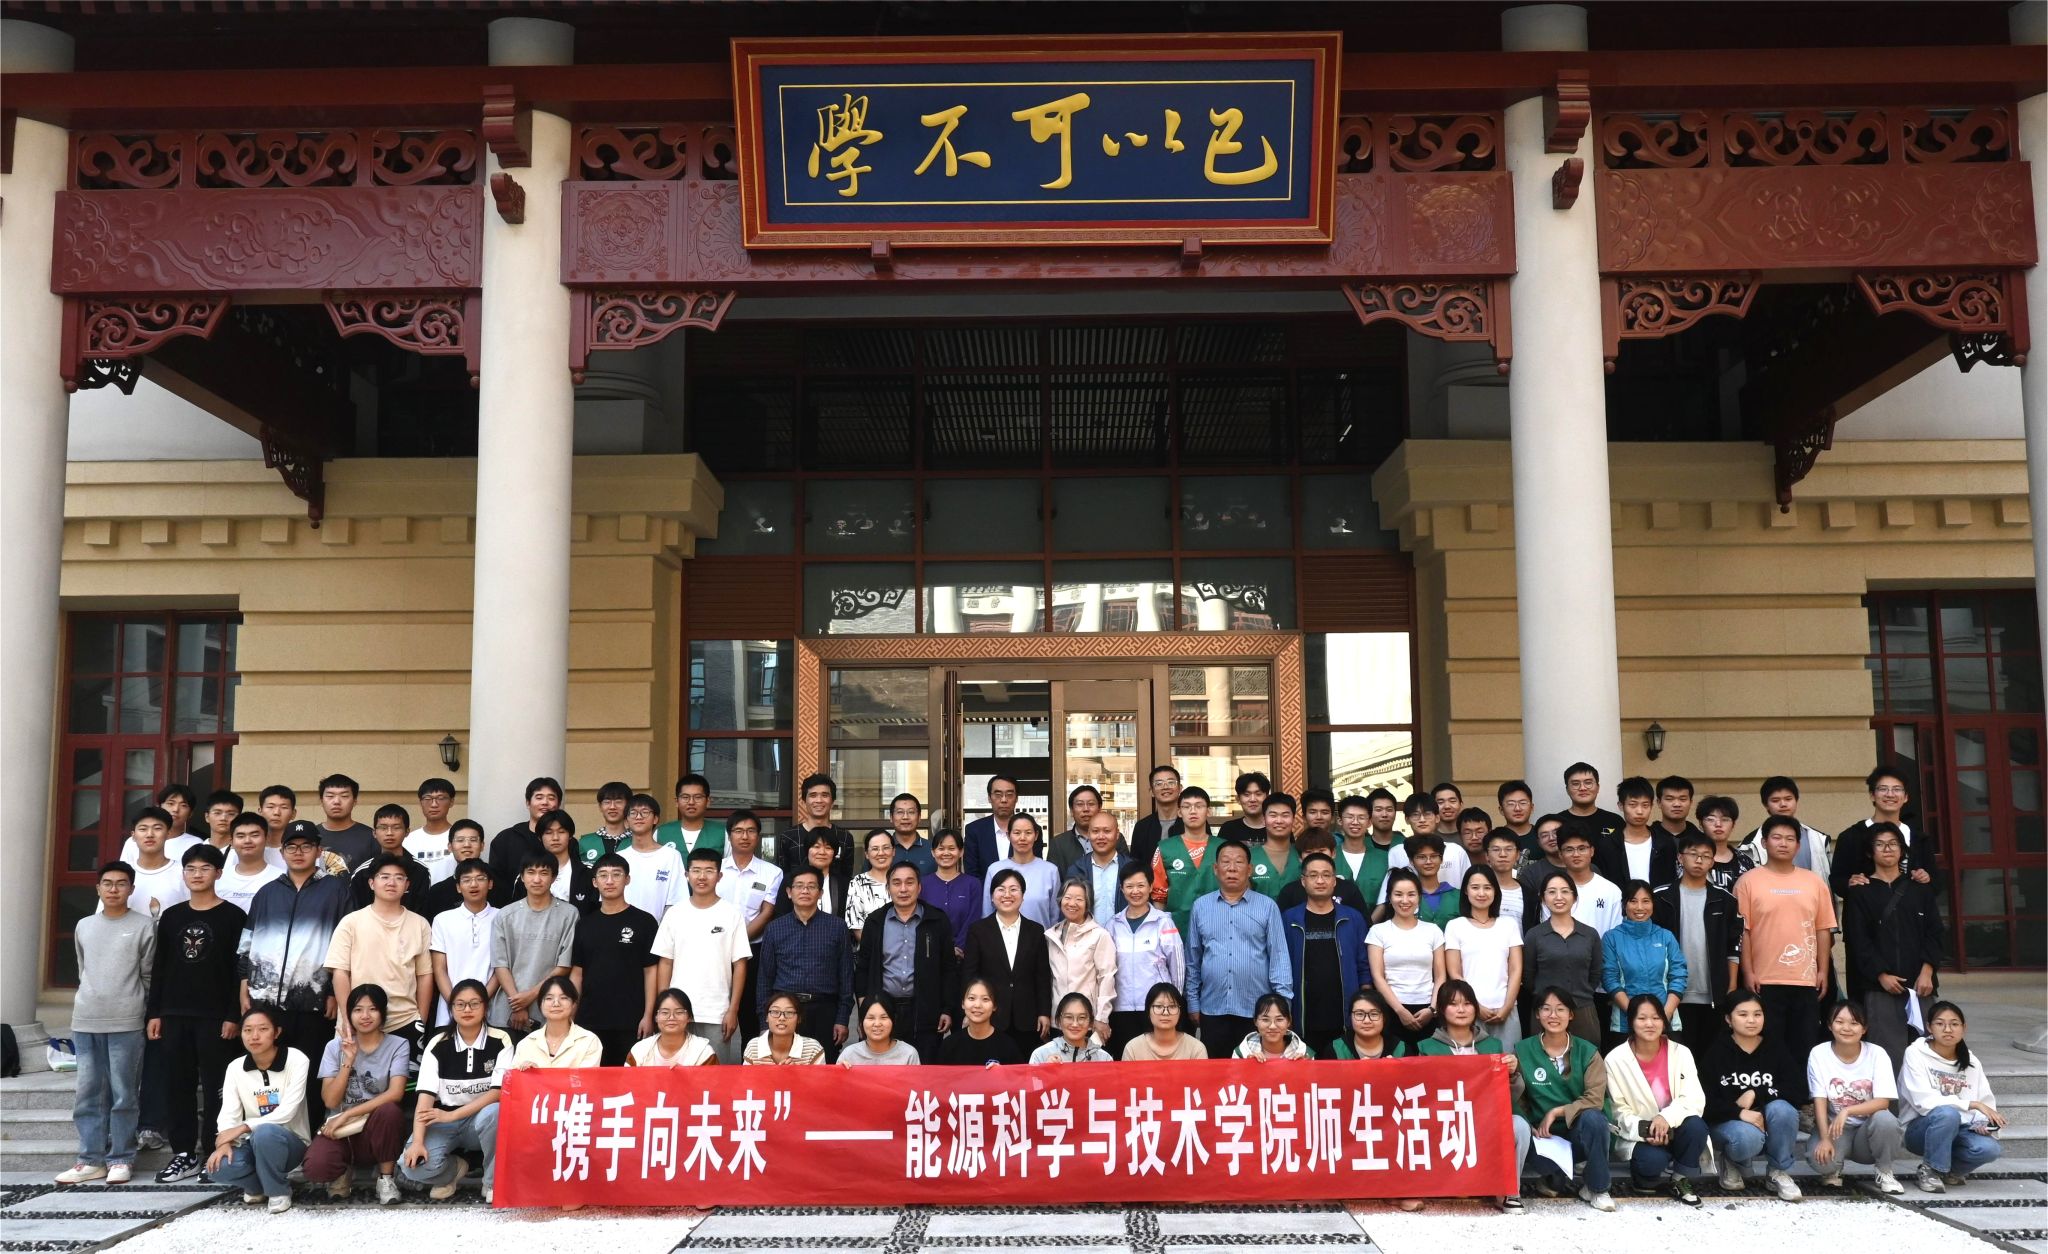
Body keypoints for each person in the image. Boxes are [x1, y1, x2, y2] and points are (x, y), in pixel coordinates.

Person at [236, 821, 352, 1128]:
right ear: (282, 851)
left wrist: (332, 992)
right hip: (267, 1002)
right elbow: (247, 943)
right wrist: (245, 983)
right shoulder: (267, 893)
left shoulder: (336, 891)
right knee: (270, 1074)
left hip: (314, 1001)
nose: (298, 852)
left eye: (306, 846)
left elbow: (346, 946)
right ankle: (269, 1135)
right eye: (291, 847)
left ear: (318, 850)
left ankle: (308, 1136)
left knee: (310, 1072)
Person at [146, 846, 246, 1184]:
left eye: (205, 868)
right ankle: (184, 1154)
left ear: (219, 873)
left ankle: (215, 1152)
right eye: (190, 868)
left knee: (218, 1086)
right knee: (178, 1085)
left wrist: (234, 1015)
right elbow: (160, 967)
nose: (197, 874)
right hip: (174, 1013)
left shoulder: (234, 916)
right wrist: (155, 1012)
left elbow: (239, 971)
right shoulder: (172, 916)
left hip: (216, 1017)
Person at [58, 862, 155, 1186]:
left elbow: (148, 974)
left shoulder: (143, 925)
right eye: (108, 883)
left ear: (131, 889)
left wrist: (140, 1010)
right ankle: (90, 1159)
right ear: (98, 888)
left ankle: (121, 1158)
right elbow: (83, 969)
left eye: (121, 883)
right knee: (87, 1093)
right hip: (86, 1019)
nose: (114, 889)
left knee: (124, 1093)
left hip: (127, 1020)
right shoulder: (84, 925)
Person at [1416, 979, 1530, 1213]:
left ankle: (1509, 1192)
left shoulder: (1493, 1045)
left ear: (1475, 1008)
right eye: (1453, 1004)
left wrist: (1513, 1072)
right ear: (1442, 1009)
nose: (1461, 1009)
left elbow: (1509, 1095)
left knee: (1519, 1125)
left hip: (1486, 1119)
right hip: (1445, 1120)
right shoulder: (1427, 1047)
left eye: (1467, 1003)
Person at [1839, 822, 1944, 1069]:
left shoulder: (1920, 890)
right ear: (1870, 852)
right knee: (1888, 1055)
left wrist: (1928, 971)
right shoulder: (1860, 893)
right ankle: (1891, 1097)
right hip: (1879, 988)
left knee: (1927, 1051)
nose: (1888, 849)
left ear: (1902, 850)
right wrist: (1881, 974)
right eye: (1880, 844)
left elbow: (1935, 932)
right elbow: (1858, 941)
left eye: (1893, 843)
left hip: (1920, 985)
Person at [1736, 815, 1836, 1070]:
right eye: (1777, 838)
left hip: (1805, 979)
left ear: (1798, 846)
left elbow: (1823, 929)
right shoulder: (1748, 881)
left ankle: (1801, 1091)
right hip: (1764, 979)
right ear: (1764, 843)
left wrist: (1822, 970)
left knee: (1804, 1044)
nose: (1783, 843)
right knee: (1767, 1044)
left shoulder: (1814, 882)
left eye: (1790, 839)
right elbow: (1743, 932)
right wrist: (1748, 972)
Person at [400, 979, 510, 1203]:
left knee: (497, 1112)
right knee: (411, 1166)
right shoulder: (438, 1043)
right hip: (442, 1121)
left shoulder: (501, 1040)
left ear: (485, 1007)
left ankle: (492, 1182)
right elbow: (425, 1099)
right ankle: (454, 1171)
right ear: (451, 1009)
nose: (467, 1009)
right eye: (460, 1004)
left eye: (474, 1003)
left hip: (479, 1120)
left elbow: (497, 1093)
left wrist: (452, 1115)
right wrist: (418, 1141)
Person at [302, 984, 409, 1205]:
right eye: (358, 1010)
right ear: (349, 1014)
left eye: (372, 1009)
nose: (365, 1016)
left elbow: (396, 1093)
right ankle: (344, 1171)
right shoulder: (334, 1047)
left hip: (375, 1127)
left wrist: (348, 1114)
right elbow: (330, 1100)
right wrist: (348, 1061)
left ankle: (386, 1178)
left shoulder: (398, 1045)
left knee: (390, 1111)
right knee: (316, 1168)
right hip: (341, 1130)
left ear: (383, 1013)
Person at [325, 853, 434, 1066]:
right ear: (371, 883)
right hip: (358, 1022)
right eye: (384, 877)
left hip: (404, 1020)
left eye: (399, 877)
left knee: (405, 1085)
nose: (391, 882)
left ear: (407, 885)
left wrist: (420, 1019)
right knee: (353, 1083)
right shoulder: (351, 922)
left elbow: (425, 975)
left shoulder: (420, 924)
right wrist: (347, 1018)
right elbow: (340, 972)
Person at [1187, 840, 1293, 1058]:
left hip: (1257, 1010)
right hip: (1212, 1007)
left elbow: (1279, 957)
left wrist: (1282, 1005)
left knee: (1255, 1070)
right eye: (1226, 862)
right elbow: (1193, 958)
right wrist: (1193, 1002)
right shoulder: (1201, 907)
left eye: (1239, 862)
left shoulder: (1267, 906)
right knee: (1216, 1071)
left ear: (1249, 869)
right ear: (1216, 869)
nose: (1232, 868)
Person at [1514, 987, 1613, 1211]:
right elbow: (1516, 1099)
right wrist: (1529, 1126)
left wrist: (1557, 1111)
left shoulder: (1588, 1051)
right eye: (1546, 1009)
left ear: (1571, 1015)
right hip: (1543, 1136)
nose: (1553, 1015)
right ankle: (1554, 1176)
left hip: (1578, 1130)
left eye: (1560, 1009)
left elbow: (1595, 1099)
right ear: (1537, 1014)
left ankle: (1597, 1188)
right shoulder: (1523, 1050)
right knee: (1547, 1168)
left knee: (1595, 1119)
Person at [205, 1005, 311, 1213]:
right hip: (253, 1142)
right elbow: (229, 1111)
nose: (254, 1036)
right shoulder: (235, 1067)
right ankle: (258, 1187)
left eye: (263, 1029)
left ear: (276, 1032)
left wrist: (244, 1127)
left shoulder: (296, 1059)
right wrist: (224, 1141)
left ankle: (278, 1191)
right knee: (218, 1167)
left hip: (291, 1142)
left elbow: (287, 1111)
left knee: (265, 1132)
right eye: (247, 1030)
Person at [1604, 995, 1708, 1205]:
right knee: (1651, 1165)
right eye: (1642, 1018)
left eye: (1656, 1018)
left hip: (1676, 1127)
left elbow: (1693, 1097)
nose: (1650, 1024)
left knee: (1696, 1126)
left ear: (1664, 1020)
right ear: (1631, 1021)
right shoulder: (1615, 1059)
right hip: (1641, 1133)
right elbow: (1617, 1110)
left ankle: (1680, 1178)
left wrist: (1665, 1118)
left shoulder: (1681, 1053)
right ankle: (1644, 1177)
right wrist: (1649, 1129)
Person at [652, 846, 752, 1064]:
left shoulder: (732, 913)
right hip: (678, 1011)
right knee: (677, 1072)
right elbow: (665, 962)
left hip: (717, 1011)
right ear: (686, 875)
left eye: (709, 871)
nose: (702, 877)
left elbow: (740, 964)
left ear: (719, 876)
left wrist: (733, 1009)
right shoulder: (674, 914)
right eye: (696, 871)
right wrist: (663, 1008)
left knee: (715, 1074)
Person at [1702, 990, 1805, 1200]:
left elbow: (1797, 1090)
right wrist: (1738, 1112)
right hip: (1728, 1123)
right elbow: (1704, 1102)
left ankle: (1777, 1171)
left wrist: (1756, 1093)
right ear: (1728, 1019)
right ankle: (1732, 1161)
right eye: (1743, 1014)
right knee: (1747, 1137)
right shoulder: (1716, 1052)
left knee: (1784, 1110)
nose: (1751, 1020)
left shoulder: (1775, 1047)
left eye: (1757, 1014)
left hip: (1767, 1119)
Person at [855, 860, 956, 1062]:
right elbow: (863, 968)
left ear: (919, 887)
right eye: (896, 883)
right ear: (888, 888)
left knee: (924, 1068)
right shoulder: (875, 921)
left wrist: (947, 1009)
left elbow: (948, 969)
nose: (903, 889)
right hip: (884, 1010)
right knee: (885, 1069)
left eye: (909, 882)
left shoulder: (936, 920)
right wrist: (865, 1009)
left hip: (925, 1010)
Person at [1899, 1001, 2005, 1192]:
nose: (1948, 1029)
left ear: (1964, 1028)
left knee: (1990, 1149)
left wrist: (1984, 1123)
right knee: (1947, 1114)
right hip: (1920, 1130)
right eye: (1940, 1024)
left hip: (1961, 1129)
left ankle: (1950, 1171)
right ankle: (1931, 1171)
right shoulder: (1915, 1053)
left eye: (1954, 1024)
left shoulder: (1971, 1061)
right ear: (1929, 1027)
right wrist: (1971, 1104)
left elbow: (1984, 1102)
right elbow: (1923, 1102)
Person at [1652, 833, 1742, 1053]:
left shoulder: (1725, 900)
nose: (1699, 860)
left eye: (1706, 856)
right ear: (1680, 858)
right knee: (1677, 1054)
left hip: (1713, 994)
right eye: (1693, 854)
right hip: (1672, 993)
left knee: (1710, 1055)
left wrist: (1730, 987)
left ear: (1712, 861)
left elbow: (1733, 947)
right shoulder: (1661, 897)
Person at [1806, 1000, 1906, 1194]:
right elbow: (1819, 1100)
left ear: (1864, 1028)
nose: (1846, 1028)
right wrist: (1825, 1138)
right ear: (1829, 1025)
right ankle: (1834, 1169)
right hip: (1836, 1129)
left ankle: (1885, 1170)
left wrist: (1847, 1110)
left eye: (1854, 1023)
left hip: (1868, 1131)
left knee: (1886, 1119)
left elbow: (1883, 1102)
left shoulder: (1877, 1053)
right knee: (1821, 1163)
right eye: (1839, 1022)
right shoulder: (1819, 1053)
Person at [570, 853, 659, 1065]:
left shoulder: (644, 922)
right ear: (595, 882)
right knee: (593, 1078)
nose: (609, 881)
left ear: (627, 879)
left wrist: (649, 1015)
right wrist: (570, 1016)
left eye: (616, 874)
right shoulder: (584, 924)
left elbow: (651, 971)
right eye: (603, 875)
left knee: (629, 1079)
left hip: (632, 1021)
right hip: (590, 1019)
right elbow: (577, 973)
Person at [758, 866, 856, 1057]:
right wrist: (764, 1022)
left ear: (820, 893)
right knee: (785, 1067)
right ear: (789, 892)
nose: (805, 891)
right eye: (799, 886)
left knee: (824, 1066)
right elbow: (764, 979)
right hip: (785, 1011)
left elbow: (846, 976)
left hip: (824, 1011)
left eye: (811, 886)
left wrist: (842, 1019)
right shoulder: (774, 929)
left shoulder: (837, 927)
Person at [1282, 852, 1370, 1060]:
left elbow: (1363, 964)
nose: (1320, 881)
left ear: (1334, 881)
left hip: (1344, 1012)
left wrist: (1364, 1001)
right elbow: (1280, 964)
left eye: (1326, 875)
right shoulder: (1289, 918)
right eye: (1313, 875)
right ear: (1303, 881)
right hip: (1303, 1013)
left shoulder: (1352, 918)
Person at [962, 868, 1054, 1059]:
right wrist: (968, 1011)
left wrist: (1044, 1012)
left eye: (1013, 889)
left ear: (1022, 895)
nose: (1007, 895)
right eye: (1001, 889)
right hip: (990, 1017)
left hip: (1027, 1018)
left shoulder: (1035, 931)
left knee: (1023, 1070)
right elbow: (970, 974)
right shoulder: (978, 930)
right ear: (992, 896)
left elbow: (1042, 976)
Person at [489, 852, 579, 1035]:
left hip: (549, 1010)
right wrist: (517, 1004)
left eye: (544, 873)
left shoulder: (569, 914)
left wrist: (529, 996)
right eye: (531, 872)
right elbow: (500, 964)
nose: (537, 879)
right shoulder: (505, 915)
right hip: (506, 1010)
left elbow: (563, 966)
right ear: (522, 877)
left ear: (554, 877)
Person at [1107, 863, 1185, 1057]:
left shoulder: (1163, 922)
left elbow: (1177, 966)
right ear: (1121, 889)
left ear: (1150, 887)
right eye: (1129, 886)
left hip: (1156, 1008)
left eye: (1141, 885)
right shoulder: (1113, 924)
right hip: (1121, 1008)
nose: (1135, 891)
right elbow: (1106, 969)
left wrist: (1173, 1002)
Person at [1364, 868, 1444, 1052]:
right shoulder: (1378, 931)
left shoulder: (1433, 931)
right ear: (1389, 897)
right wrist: (1400, 1010)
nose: (1405, 900)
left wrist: (1432, 1010)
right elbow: (1378, 977)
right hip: (1391, 1009)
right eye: (1398, 894)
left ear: (1419, 897)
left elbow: (1440, 976)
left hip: (1428, 1009)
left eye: (1411, 894)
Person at [1444, 865, 1523, 1048]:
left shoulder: (1508, 925)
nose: (1481, 893)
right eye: (1475, 887)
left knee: (1508, 1061)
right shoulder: (1455, 926)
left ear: (1495, 891)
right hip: (1467, 1010)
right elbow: (1454, 972)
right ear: (1466, 891)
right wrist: (1475, 1006)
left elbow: (1516, 968)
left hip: (1506, 1008)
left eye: (1487, 887)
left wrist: (1507, 1006)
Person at [1602, 880, 1687, 1047]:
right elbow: (1610, 979)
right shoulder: (1612, 938)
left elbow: (1679, 975)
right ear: (1624, 905)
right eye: (1633, 901)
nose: (1640, 907)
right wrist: (1636, 1016)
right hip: (1625, 1023)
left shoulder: (1666, 936)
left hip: (1666, 1019)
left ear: (1653, 904)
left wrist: (1663, 1015)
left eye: (1646, 901)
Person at [1522, 872, 1604, 1045]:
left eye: (1565, 891)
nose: (1559, 897)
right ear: (1543, 898)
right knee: (1543, 1058)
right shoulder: (1534, 935)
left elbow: (1595, 973)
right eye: (1552, 892)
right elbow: (1528, 977)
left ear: (1574, 897)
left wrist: (1581, 993)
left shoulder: (1590, 934)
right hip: (1545, 1013)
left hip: (1583, 1010)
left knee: (1586, 1057)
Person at [1833, 767, 1942, 894]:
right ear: (1872, 795)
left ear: (1906, 797)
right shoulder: (1850, 837)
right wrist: (1849, 883)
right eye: (1883, 789)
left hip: (1910, 906)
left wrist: (1926, 878)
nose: (1890, 794)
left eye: (1897, 789)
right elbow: (1836, 881)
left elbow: (1935, 885)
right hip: (1865, 906)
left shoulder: (1919, 839)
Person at [428, 858, 497, 1029]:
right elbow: (439, 969)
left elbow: (503, 967)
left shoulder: (502, 917)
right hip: (449, 1010)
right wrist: (456, 1004)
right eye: (466, 880)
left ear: (490, 884)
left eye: (480, 878)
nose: (473, 884)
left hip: (492, 1008)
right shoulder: (443, 920)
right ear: (458, 887)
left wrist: (480, 1002)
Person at [1047, 879, 1116, 1046]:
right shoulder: (1051, 935)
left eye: (1079, 899)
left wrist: (1101, 1017)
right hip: (1058, 1019)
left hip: (1086, 1019)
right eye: (1067, 898)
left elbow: (1107, 977)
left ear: (1088, 904)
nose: (1072, 903)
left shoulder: (1099, 935)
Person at [1151, 785, 1220, 936]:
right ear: (1179, 812)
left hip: (1218, 925)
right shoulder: (1165, 848)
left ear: (1208, 811)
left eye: (1199, 806)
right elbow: (1158, 895)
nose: (1193, 811)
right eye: (1187, 806)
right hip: (1177, 927)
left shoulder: (1223, 848)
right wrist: (1161, 930)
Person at [487, 777, 562, 906]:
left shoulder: (567, 842)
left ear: (558, 804)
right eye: (539, 797)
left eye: (551, 798)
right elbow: (496, 883)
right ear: (528, 803)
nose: (545, 802)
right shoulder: (505, 839)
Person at [612, 793, 686, 922]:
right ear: (626, 821)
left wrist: (662, 930)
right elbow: (610, 899)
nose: (638, 817)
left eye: (645, 812)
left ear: (655, 819)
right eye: (633, 813)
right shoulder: (618, 858)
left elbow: (676, 900)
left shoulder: (671, 856)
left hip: (659, 929)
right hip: (622, 928)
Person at [348, 804, 433, 916]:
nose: (389, 833)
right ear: (374, 833)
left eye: (396, 828)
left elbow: (422, 912)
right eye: (383, 828)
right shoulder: (362, 872)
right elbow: (357, 913)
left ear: (407, 832)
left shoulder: (420, 870)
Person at [1743, 776, 1832, 879]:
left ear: (1796, 801)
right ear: (1766, 805)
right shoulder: (1750, 845)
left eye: (1788, 799)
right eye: (1775, 800)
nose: (1783, 804)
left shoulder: (1818, 839)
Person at [1598, 778, 1678, 890]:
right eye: (1633, 805)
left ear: (1651, 806)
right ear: (1621, 805)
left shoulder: (1665, 843)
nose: (1639, 811)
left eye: (1645, 805)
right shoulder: (1607, 845)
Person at [984, 812, 1062, 928]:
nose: (1022, 838)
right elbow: (987, 912)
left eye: (1028, 833)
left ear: (1036, 835)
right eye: (1017, 833)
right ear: (1008, 835)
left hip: (1041, 937)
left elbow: (1055, 916)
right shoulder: (994, 869)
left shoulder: (1050, 871)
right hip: (1000, 937)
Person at [511, 975, 603, 1068]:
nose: (556, 1003)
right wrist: (525, 1072)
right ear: (540, 1004)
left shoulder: (589, 1040)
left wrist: (538, 1074)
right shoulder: (526, 1043)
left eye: (563, 998)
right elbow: (514, 1075)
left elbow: (586, 1077)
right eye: (549, 998)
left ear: (574, 1004)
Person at [1065, 810, 1135, 930]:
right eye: (1095, 831)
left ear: (1117, 834)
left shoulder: (1131, 869)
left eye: (1107, 831)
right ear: (1089, 834)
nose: (1101, 837)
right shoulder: (1077, 870)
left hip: (1125, 936)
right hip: (1086, 937)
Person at [778, 773, 852, 885]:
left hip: (835, 895)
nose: (819, 800)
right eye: (813, 795)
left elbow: (847, 877)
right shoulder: (788, 836)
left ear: (832, 802)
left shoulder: (844, 837)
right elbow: (783, 877)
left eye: (825, 795)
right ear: (804, 801)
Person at [116, 806, 188, 920]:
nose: (149, 834)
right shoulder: (120, 874)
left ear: (168, 833)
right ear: (133, 835)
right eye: (143, 829)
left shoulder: (184, 873)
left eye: (157, 828)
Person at [923, 828, 983, 957]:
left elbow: (974, 919)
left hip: (964, 954)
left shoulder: (973, 884)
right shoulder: (922, 884)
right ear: (933, 852)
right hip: (931, 953)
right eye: (941, 848)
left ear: (961, 852)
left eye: (951, 848)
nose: (946, 853)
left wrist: (958, 946)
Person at [1332, 792, 1399, 906]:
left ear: (1369, 822)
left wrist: (1373, 918)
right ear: (1340, 820)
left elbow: (1388, 897)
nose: (1355, 822)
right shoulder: (1329, 856)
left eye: (1361, 817)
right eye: (1350, 817)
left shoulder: (1384, 859)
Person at [939, 979, 1025, 1067]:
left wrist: (1002, 1072)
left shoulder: (1008, 1046)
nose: (977, 1005)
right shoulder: (949, 1045)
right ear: (963, 1004)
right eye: (971, 998)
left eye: (985, 999)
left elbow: (1019, 1074)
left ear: (994, 1006)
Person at [1552, 829, 1623, 934]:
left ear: (1592, 851)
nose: (1576, 854)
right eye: (1569, 849)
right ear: (1560, 854)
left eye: (1582, 848)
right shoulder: (1552, 891)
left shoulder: (1611, 891)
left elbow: (1616, 934)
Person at [774, 827, 851, 920]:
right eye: (816, 846)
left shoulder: (844, 884)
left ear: (834, 853)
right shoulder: (790, 879)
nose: (822, 852)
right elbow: (780, 915)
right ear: (807, 850)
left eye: (828, 848)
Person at [627, 989, 718, 1067]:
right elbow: (628, 1081)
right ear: (656, 1017)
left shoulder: (704, 1053)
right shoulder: (639, 1051)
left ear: (689, 1017)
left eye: (679, 1012)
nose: (671, 1017)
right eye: (665, 1012)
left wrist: (686, 1075)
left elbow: (712, 1081)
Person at [1121, 982, 1207, 1061]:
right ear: (1148, 1011)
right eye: (1158, 1006)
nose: (1165, 1012)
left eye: (1172, 1006)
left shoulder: (1196, 1048)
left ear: (1180, 1012)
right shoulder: (1133, 1048)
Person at [217, 811, 285, 913]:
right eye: (241, 836)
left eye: (254, 835)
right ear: (231, 841)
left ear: (266, 838)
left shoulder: (282, 879)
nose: (247, 841)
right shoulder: (218, 879)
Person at [120, 784, 203, 864]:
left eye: (183, 805)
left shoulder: (195, 844)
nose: (176, 809)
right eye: (171, 803)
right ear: (159, 807)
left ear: (191, 813)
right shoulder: (135, 841)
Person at [963, 774, 1024, 881]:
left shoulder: (1030, 831)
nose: (1004, 800)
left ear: (1016, 798)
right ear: (989, 798)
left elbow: (1034, 868)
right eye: (998, 794)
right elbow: (972, 873)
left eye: (1009, 794)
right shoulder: (974, 830)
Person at [422, 821, 488, 919]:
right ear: (450, 847)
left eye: (473, 840)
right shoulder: (437, 892)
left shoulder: (499, 883)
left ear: (482, 845)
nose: (467, 845)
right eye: (460, 840)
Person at [1048, 784, 1120, 874]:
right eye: (1080, 804)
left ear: (1099, 808)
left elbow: (1126, 872)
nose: (1086, 809)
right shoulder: (1058, 843)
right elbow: (1054, 877)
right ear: (1071, 810)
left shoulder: (1115, 838)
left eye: (1091, 804)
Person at [534, 808, 595, 912]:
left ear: (570, 835)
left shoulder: (588, 873)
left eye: (561, 832)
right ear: (540, 837)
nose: (555, 838)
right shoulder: (528, 873)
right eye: (548, 832)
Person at [315, 774, 378, 871]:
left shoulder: (371, 837)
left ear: (354, 801)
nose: (336, 801)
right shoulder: (311, 835)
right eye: (330, 796)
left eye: (344, 796)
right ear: (321, 801)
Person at [746, 989, 829, 1065]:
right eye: (775, 1012)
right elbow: (745, 1077)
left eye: (789, 1012)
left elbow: (821, 1077)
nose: (782, 1018)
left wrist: (795, 1073)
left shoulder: (813, 1049)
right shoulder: (753, 1047)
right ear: (767, 1017)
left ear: (799, 1018)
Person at [1128, 765, 1184, 876]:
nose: (1165, 787)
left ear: (1180, 788)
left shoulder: (1192, 823)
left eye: (1171, 782)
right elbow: (1135, 864)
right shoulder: (1142, 827)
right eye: (1159, 783)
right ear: (1152, 792)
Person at [1557, 761, 1624, 852]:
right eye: (1575, 784)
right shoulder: (1558, 822)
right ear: (1567, 790)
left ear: (1598, 787)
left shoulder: (1615, 821)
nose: (1582, 788)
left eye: (1588, 783)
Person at [845, 828, 898, 942]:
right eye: (875, 849)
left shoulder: (903, 880)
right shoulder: (858, 883)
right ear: (867, 854)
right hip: (870, 950)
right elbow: (857, 927)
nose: (881, 853)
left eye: (886, 848)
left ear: (893, 851)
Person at [656, 772, 728, 855]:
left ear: (707, 802)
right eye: (685, 797)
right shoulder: (661, 833)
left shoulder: (723, 833)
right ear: (677, 802)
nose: (691, 802)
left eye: (698, 797)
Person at [839, 996, 921, 1066]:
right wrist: (840, 1072)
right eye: (871, 1018)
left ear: (893, 1021)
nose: (877, 1024)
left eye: (884, 1017)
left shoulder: (909, 1054)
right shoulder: (849, 1054)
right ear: (861, 1023)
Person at [404, 778, 459, 883]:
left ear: (451, 802)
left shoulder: (460, 838)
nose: (434, 804)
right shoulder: (408, 840)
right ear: (420, 802)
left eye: (441, 798)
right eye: (427, 798)